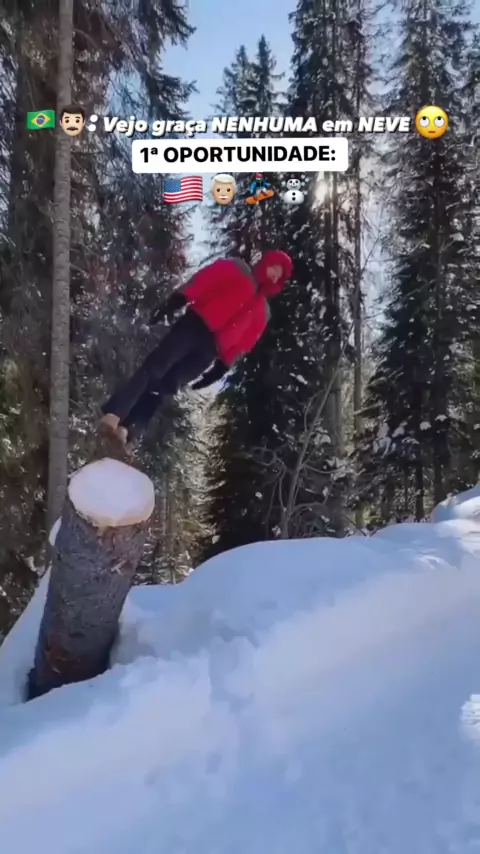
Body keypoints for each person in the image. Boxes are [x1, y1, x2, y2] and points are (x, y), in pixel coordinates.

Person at [99, 250, 293, 451]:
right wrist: (178, 299)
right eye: (274, 268)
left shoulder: (263, 312)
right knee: (156, 366)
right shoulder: (238, 268)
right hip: (195, 324)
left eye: (279, 275)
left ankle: (128, 430)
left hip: (211, 349)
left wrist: (223, 366)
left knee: (168, 385)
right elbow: (205, 279)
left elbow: (244, 343)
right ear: (266, 263)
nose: (274, 275)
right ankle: (114, 413)